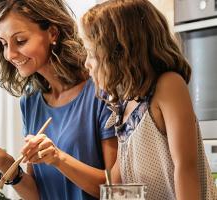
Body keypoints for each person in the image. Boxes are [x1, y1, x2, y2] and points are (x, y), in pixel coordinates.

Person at [0, 0, 118, 200]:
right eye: (4, 44)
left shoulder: (100, 91)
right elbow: (37, 195)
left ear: (52, 33)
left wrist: (58, 158)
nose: (10, 54)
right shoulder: (30, 102)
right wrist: (7, 164)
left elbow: (117, 190)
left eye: (20, 40)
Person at [80, 0, 217, 199]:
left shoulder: (168, 86)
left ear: (121, 51)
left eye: (92, 54)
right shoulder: (125, 104)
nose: (86, 64)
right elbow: (116, 182)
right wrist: (58, 160)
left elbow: (185, 168)